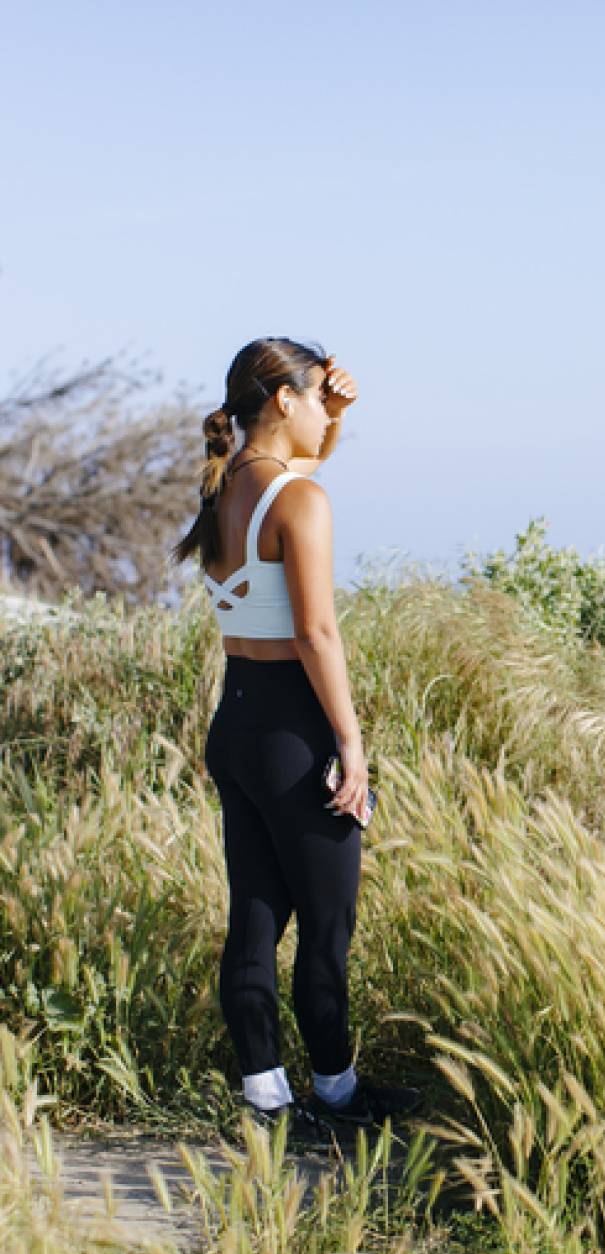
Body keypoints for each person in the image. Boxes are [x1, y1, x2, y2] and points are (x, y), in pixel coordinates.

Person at [170, 336, 419, 1143]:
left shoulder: (224, 489)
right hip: (292, 732)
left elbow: (297, 475)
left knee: (253, 917)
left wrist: (335, 417)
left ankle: (270, 1105)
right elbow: (316, 632)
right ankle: (338, 1096)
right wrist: (350, 744)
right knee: (326, 921)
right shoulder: (298, 502)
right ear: (282, 400)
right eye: (316, 398)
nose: (324, 414)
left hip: (235, 721)